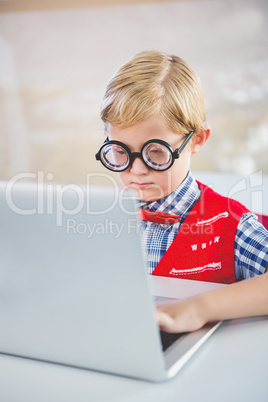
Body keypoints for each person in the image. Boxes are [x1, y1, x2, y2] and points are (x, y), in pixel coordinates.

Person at [95, 50, 268, 333]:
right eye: (119, 151)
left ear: (197, 140)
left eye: (156, 152)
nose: (136, 170)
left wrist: (199, 307)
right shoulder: (103, 216)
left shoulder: (231, 225)